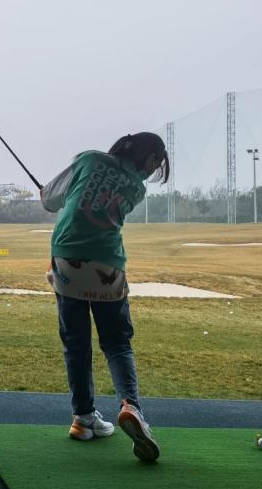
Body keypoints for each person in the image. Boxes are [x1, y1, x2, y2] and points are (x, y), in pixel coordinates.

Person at [40, 132, 169, 463]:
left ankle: (82, 419)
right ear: (150, 158)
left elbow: (50, 200)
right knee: (117, 343)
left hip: (67, 261)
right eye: (157, 164)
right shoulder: (136, 187)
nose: (154, 171)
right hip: (107, 267)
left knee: (76, 343)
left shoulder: (89, 159)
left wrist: (46, 193)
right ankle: (131, 407)